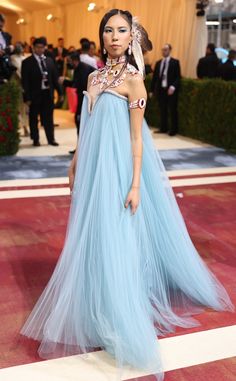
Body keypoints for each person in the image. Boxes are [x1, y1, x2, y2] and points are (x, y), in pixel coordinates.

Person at [20, 9, 234, 381]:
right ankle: (94, 304)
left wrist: (135, 184)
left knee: (117, 237)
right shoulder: (93, 77)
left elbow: (137, 138)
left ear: (131, 36)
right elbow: (87, 126)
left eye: (121, 30)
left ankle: (119, 313)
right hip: (92, 170)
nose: (114, 36)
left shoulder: (134, 81)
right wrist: (75, 165)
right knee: (94, 236)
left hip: (120, 172)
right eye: (108, 30)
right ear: (101, 36)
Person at [21, 37, 62, 146]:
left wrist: (60, 92)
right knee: (34, 118)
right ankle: (35, 139)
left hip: (47, 94)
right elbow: (25, 81)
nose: (40, 50)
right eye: (38, 47)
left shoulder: (49, 61)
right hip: (34, 95)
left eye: (42, 47)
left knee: (49, 118)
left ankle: (51, 139)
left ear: (45, 48)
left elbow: (54, 78)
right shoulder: (27, 62)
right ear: (33, 48)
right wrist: (27, 98)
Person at [59, 52, 95, 153]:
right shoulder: (80, 68)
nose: (68, 64)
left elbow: (78, 84)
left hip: (86, 99)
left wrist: (65, 82)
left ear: (74, 60)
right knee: (79, 121)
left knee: (80, 121)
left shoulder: (83, 69)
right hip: (84, 98)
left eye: (69, 61)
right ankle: (81, 148)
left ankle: (82, 149)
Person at [150, 43, 181, 136]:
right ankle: (163, 128)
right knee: (162, 109)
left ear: (170, 50)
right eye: (162, 50)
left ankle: (173, 130)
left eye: (166, 49)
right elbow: (155, 78)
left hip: (170, 90)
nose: (164, 51)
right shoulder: (159, 63)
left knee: (172, 110)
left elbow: (178, 77)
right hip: (161, 90)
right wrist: (151, 90)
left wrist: (173, 87)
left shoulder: (175, 62)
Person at [11, 42, 29, 137]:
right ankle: (21, 127)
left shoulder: (24, 58)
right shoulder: (13, 58)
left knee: (25, 108)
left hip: (25, 86)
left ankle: (26, 126)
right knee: (18, 107)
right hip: (17, 86)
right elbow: (17, 72)